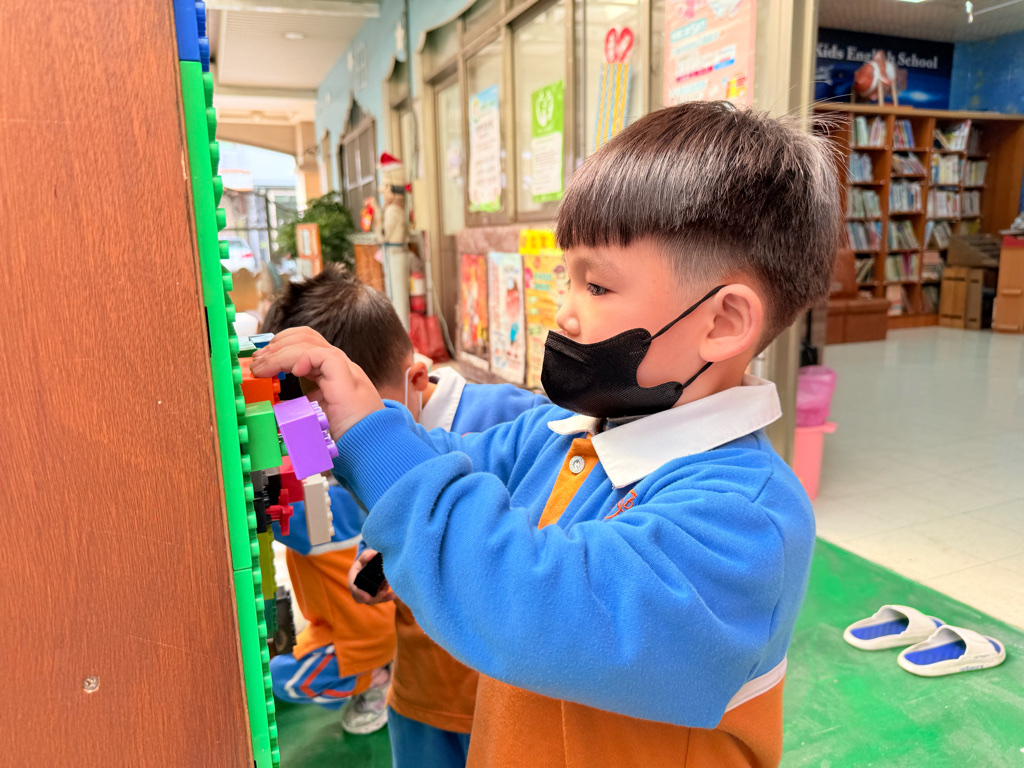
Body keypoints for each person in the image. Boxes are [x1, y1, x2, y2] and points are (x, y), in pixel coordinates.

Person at [251, 102, 841, 767]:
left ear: (723, 322)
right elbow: (420, 472)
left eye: (597, 285)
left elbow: (529, 603)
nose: (565, 312)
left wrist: (371, 433)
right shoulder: (559, 434)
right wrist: (314, 424)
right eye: (568, 278)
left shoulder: (745, 522)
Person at [350, 362, 546, 768]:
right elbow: (381, 517)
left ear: (416, 378)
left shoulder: (514, 414)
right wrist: (368, 557)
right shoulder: (373, 447)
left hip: (499, 688)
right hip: (421, 686)